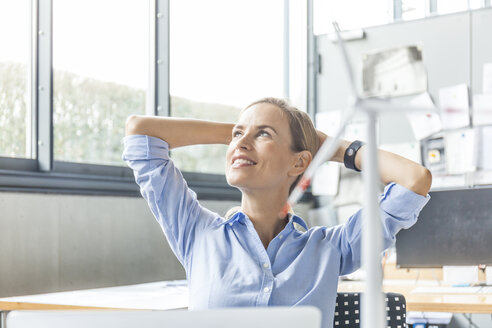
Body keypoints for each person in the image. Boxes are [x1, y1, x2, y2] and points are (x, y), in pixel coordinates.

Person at [123, 97, 431, 328]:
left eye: (264, 134)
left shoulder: (331, 249)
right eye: (236, 135)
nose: (241, 142)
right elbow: (141, 132)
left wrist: (332, 148)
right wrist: (242, 135)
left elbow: (414, 180)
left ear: (299, 163)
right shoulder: (197, 233)